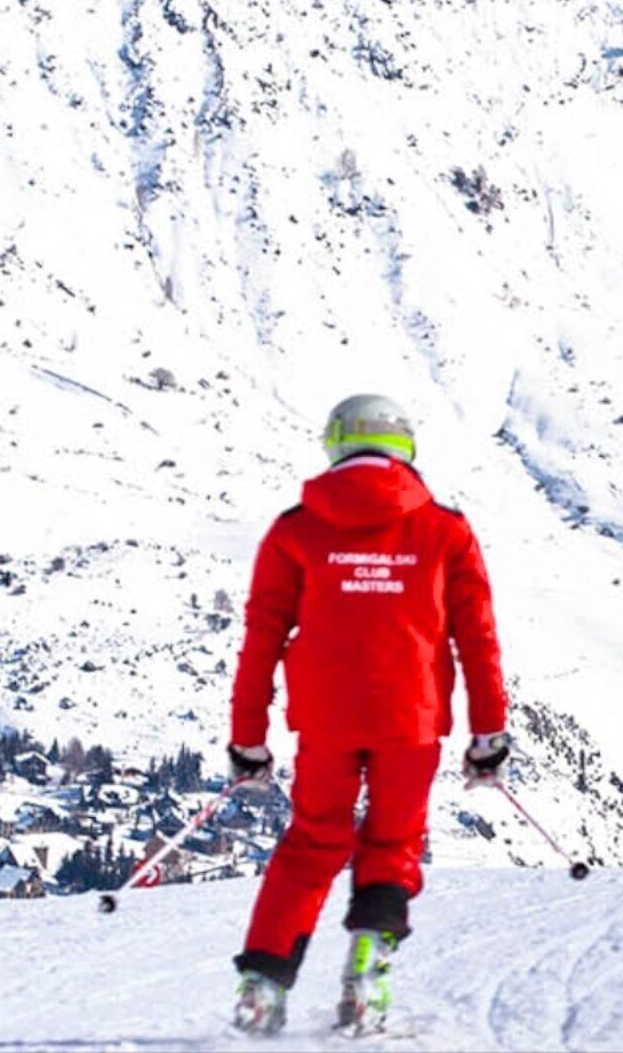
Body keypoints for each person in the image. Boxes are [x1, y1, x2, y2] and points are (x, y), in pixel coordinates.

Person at [224, 394, 508, 1038]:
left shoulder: (295, 529)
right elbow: (477, 637)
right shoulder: (445, 530)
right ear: (404, 447)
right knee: (393, 842)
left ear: (335, 445)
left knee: (312, 844)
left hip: (325, 719)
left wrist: (248, 738)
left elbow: (261, 638)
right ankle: (367, 971)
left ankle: (262, 988)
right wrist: (488, 731)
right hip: (412, 719)